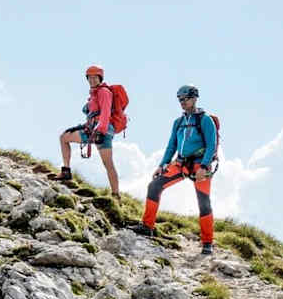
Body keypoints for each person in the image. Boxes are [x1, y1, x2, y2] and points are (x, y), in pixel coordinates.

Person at [134, 85, 218, 255]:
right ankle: (147, 226)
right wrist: (162, 165)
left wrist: (203, 166)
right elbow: (171, 145)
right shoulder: (178, 122)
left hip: (199, 164)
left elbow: (211, 145)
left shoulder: (205, 120)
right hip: (180, 163)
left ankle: (207, 242)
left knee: (203, 202)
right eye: (179, 99)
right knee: (154, 186)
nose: (182, 102)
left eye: (185, 98)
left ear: (194, 98)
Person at [58, 65, 120, 194]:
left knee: (108, 164)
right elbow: (94, 115)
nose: (92, 80)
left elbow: (105, 113)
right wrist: (80, 127)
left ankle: (116, 194)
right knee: (64, 137)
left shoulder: (104, 92)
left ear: (100, 78)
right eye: (89, 77)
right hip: (94, 129)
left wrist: (100, 131)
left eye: (95, 77)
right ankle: (66, 172)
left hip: (101, 131)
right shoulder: (94, 94)